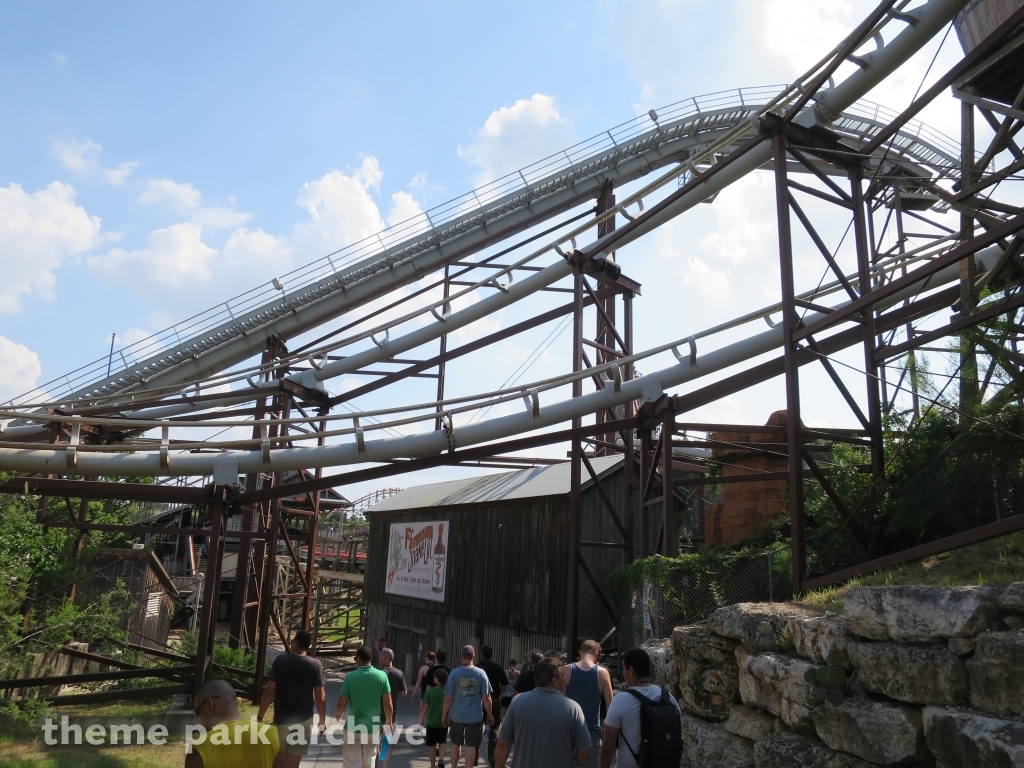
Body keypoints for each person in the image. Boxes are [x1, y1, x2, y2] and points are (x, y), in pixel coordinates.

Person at [494, 656, 591, 768]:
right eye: (563, 676)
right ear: (555, 681)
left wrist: (500, 765)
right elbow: (584, 751)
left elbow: (502, 744)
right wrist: (574, 762)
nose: (565, 679)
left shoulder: (517, 702)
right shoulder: (573, 708)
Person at [600, 647, 681, 768]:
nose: (623, 673)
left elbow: (607, 749)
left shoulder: (621, 700)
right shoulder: (667, 697)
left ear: (631, 670)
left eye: (624, 668)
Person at [257, 629, 326, 768]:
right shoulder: (315, 665)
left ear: (295, 643)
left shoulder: (280, 660)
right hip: (303, 720)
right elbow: (320, 697)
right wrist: (322, 721)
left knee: (277, 760)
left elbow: (269, 692)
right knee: (293, 763)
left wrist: (260, 716)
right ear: (308, 646)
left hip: (281, 719)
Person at [188, 679, 280, 768]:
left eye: (198, 712)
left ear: (209, 704)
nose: (199, 721)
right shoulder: (273, 734)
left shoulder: (199, 750)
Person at [336, 645, 393, 768]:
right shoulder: (382, 676)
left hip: (353, 724)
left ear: (359, 659)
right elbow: (388, 703)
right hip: (373, 725)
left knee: (351, 762)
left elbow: (342, 702)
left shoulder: (350, 677)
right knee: (369, 759)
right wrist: (388, 721)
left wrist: (339, 714)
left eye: (355, 658)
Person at [562, 639, 613, 768]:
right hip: (592, 735)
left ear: (580, 652)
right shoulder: (603, 673)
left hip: (568, 734)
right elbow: (610, 705)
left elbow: (559, 702)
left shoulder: (566, 670)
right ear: (596, 654)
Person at [442, 645, 493, 768]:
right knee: (471, 746)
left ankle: (453, 766)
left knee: (455, 743)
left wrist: (444, 714)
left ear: (461, 657)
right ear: (473, 657)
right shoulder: (481, 674)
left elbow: (448, 698)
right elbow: (487, 698)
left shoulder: (454, 673)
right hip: (475, 716)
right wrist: (490, 715)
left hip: (456, 715)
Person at [475, 646, 509, 768]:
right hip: (494, 700)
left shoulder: (477, 668)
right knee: (494, 730)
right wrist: (498, 695)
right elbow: (505, 684)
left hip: (478, 700)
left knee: (476, 728)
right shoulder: (497, 667)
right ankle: (493, 760)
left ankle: (474, 757)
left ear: (481, 655)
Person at [378, 647, 407, 766]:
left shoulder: (378, 674)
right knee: (388, 742)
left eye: (380, 657)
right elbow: (404, 693)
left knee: (374, 741)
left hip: (377, 713)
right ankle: (384, 765)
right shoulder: (399, 674)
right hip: (392, 714)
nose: (378, 659)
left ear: (385, 659)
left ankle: (374, 763)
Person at [419, 667, 450, 768]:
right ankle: (441, 759)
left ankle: (432, 765)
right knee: (442, 741)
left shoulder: (430, 692)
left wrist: (421, 721)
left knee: (431, 744)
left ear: (437, 679)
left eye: (434, 676)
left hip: (431, 722)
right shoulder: (447, 692)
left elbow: (424, 709)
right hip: (444, 722)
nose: (433, 678)